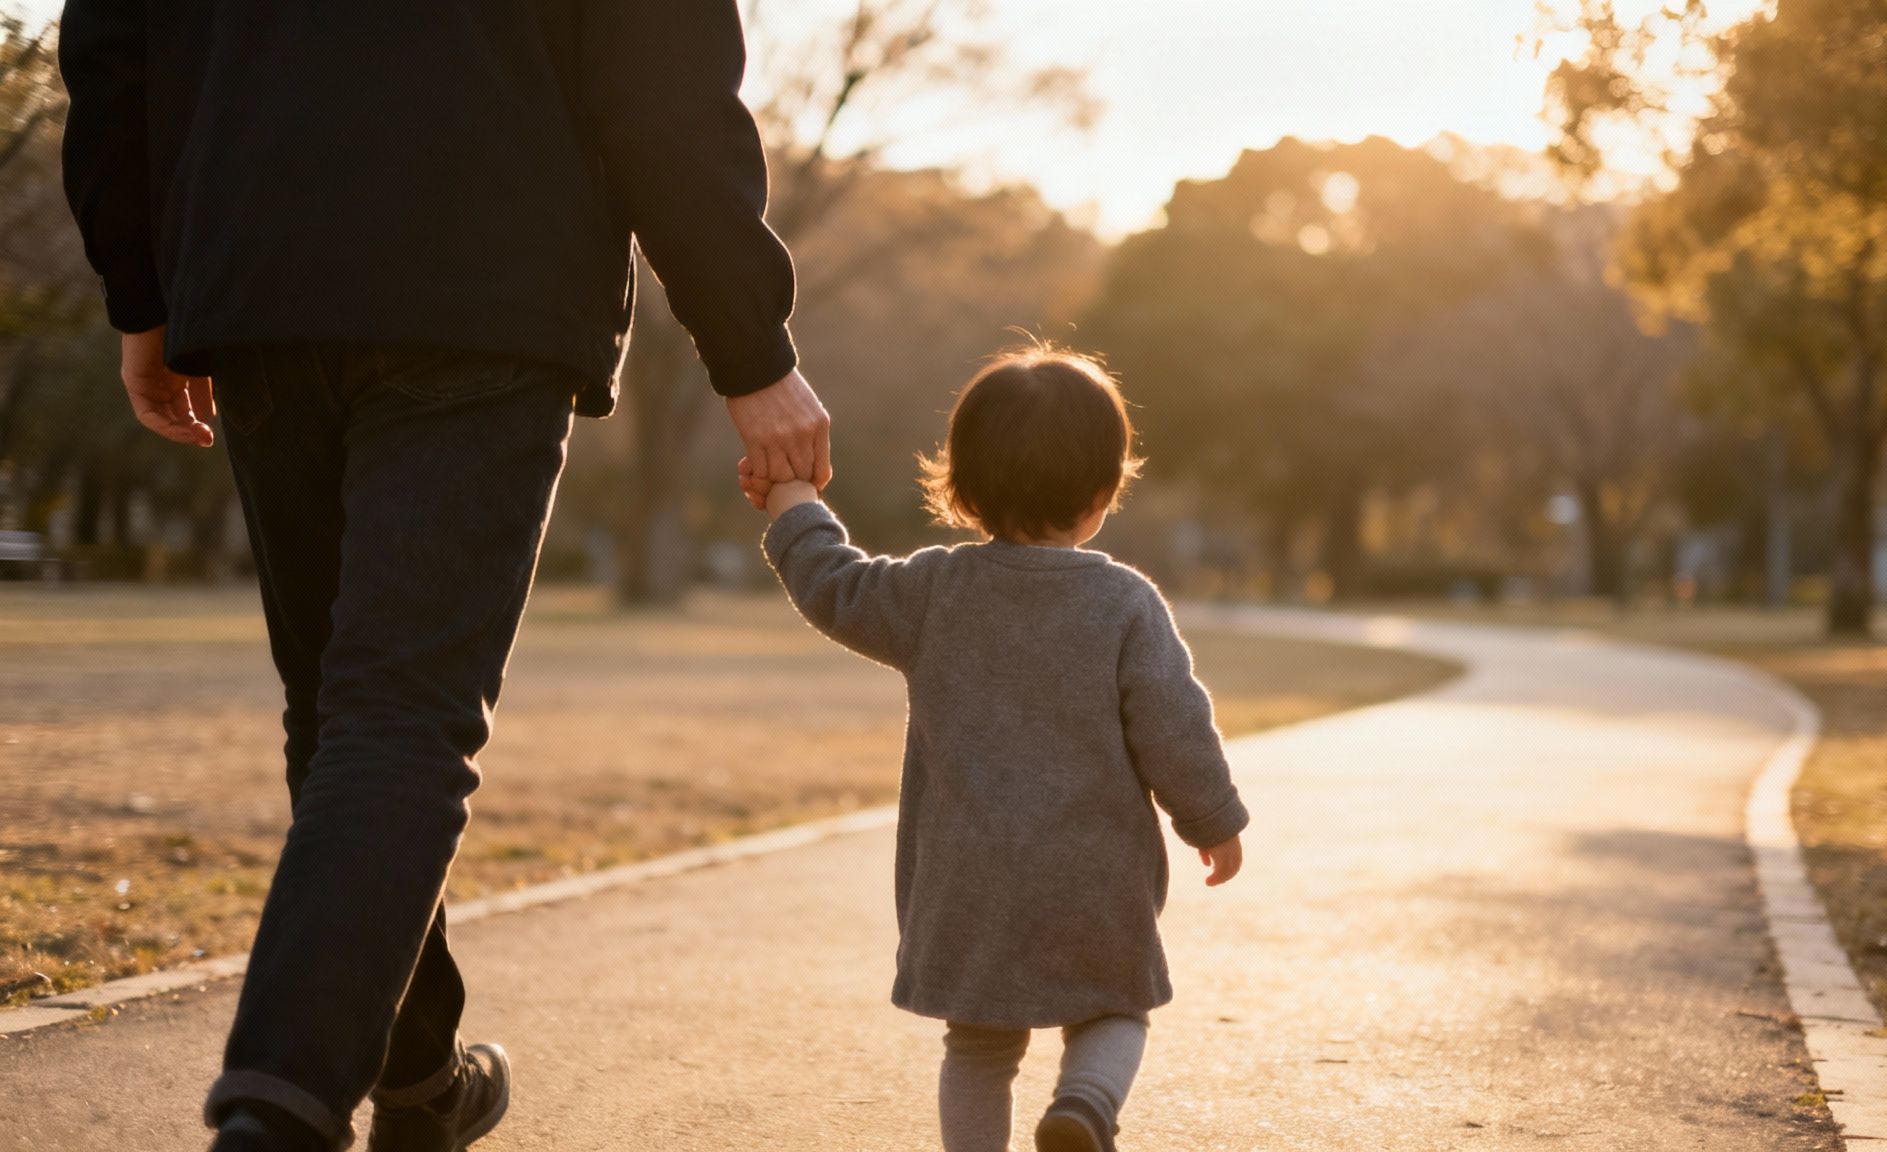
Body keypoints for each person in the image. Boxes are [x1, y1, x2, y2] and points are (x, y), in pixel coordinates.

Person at [57, 3, 827, 1150]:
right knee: (395, 718)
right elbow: (660, 82)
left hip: (262, 273)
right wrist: (752, 354)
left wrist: (146, 292)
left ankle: (416, 1080)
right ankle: (276, 1103)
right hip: (482, 280)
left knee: (343, 719)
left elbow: (114, 45)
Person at [749, 349, 1250, 1152]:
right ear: (1099, 495)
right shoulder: (1124, 601)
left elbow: (833, 584)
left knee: (979, 1046)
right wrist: (1213, 820)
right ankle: (1084, 1106)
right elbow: (1174, 725)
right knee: (1115, 1008)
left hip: (968, 883)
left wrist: (793, 500)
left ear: (965, 488)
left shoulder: (932, 592)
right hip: (1094, 876)